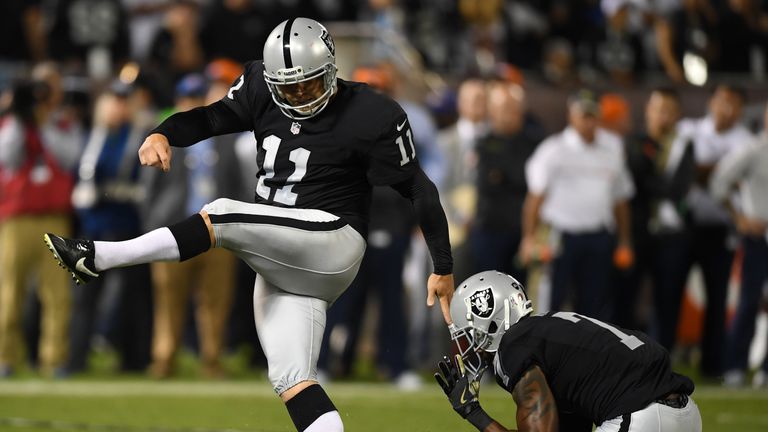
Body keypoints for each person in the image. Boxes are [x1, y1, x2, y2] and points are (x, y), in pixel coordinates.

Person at [44, 17, 454, 432]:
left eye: (308, 85)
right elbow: (212, 117)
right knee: (293, 380)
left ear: (331, 71)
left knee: (221, 213)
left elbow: (419, 188)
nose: (297, 95)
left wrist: (443, 265)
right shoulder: (258, 83)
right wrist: (163, 133)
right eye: (287, 87)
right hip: (280, 257)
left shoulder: (371, 112)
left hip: (333, 240)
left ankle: (98, 257)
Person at [435, 270, 702, 432]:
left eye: (470, 334)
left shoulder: (513, 346)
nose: (470, 346)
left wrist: (473, 412)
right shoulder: (549, 333)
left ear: (491, 322)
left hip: (640, 417)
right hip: (686, 415)